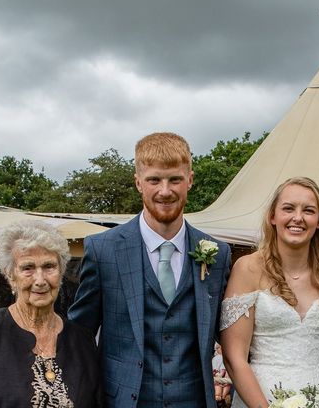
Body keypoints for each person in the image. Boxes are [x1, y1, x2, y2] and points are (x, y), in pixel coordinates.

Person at [69, 132, 232, 407]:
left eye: (175, 179)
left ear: (190, 180)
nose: (165, 191)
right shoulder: (102, 250)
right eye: (154, 180)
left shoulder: (218, 253)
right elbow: (79, 334)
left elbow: (229, 333)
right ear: (138, 183)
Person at [220, 177, 319, 408]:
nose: (298, 218)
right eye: (288, 208)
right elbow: (234, 357)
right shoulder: (248, 268)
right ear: (273, 217)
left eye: (308, 210)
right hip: (260, 397)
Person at [0, 220, 100, 407]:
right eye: (28, 268)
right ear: (10, 275)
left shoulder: (82, 339)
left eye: (49, 266)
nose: (40, 280)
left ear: (61, 272)